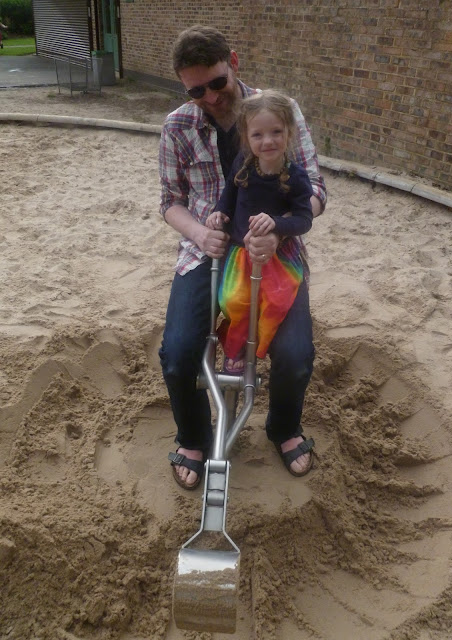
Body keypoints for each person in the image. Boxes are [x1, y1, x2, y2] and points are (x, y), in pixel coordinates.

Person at [159, 25, 327, 490]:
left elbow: (315, 191)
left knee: (296, 356)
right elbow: (170, 201)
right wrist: (200, 232)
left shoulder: (280, 111)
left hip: (276, 252)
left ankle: (283, 428)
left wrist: (278, 231)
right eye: (196, 91)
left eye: (217, 83)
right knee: (178, 355)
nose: (210, 97)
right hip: (208, 251)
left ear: (234, 62)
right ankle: (194, 437)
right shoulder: (177, 126)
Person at [205, 90, 313, 374]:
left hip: (278, 258)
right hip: (241, 254)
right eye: (258, 135)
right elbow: (228, 195)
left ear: (289, 132)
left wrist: (276, 224)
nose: (268, 141)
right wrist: (219, 211)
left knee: (274, 303)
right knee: (234, 301)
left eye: (276, 132)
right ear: (246, 137)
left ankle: (259, 345)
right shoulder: (243, 164)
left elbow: (304, 219)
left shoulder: (297, 176)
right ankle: (235, 346)